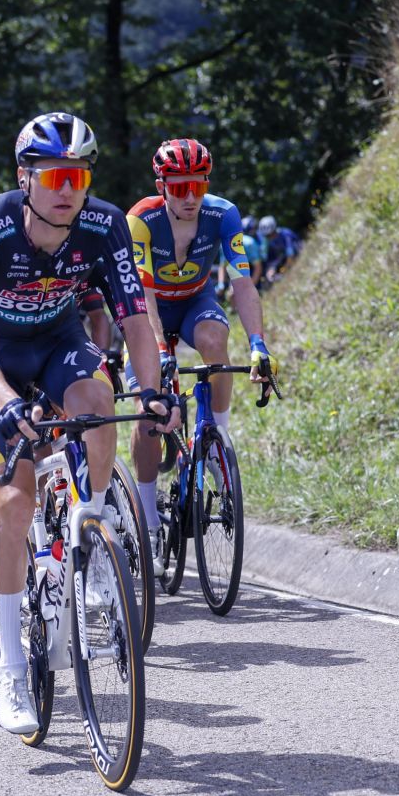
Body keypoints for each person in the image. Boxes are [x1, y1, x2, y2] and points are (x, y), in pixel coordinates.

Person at [0, 112, 170, 733]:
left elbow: (133, 322)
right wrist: (5, 402)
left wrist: (152, 389)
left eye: (77, 175)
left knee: (98, 405)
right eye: (53, 176)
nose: (67, 188)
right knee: (17, 499)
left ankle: (94, 533)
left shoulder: (104, 226)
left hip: (59, 344)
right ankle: (13, 670)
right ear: (25, 179)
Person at [125, 138, 273, 548]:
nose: (190, 197)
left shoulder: (223, 214)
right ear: (161, 186)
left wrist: (258, 344)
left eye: (198, 186)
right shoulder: (140, 219)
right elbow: (143, 294)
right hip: (148, 310)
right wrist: (158, 351)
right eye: (178, 188)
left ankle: (216, 442)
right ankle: (148, 515)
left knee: (214, 341)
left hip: (194, 302)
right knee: (147, 412)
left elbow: (243, 283)